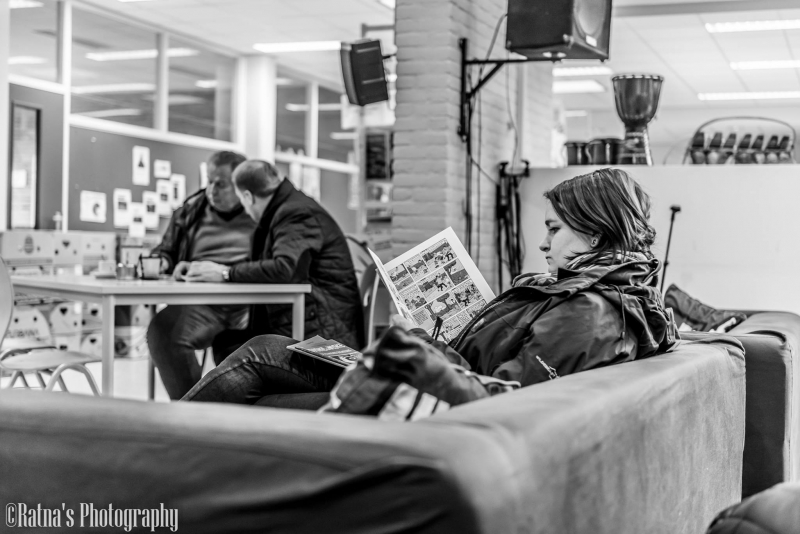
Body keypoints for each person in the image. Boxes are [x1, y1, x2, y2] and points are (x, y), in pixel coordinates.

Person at [182, 168, 677, 407]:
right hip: (432, 371)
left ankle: (155, 450)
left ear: (594, 234)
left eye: (554, 229)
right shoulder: (591, 296)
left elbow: (503, 397)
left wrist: (418, 341)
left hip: (427, 393)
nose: (544, 243)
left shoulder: (590, 312)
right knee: (270, 348)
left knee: (261, 357)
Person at [181, 159, 363, 359]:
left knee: (232, 349)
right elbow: (273, 265)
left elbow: (284, 268)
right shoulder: (288, 208)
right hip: (314, 325)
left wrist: (225, 273)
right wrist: (219, 270)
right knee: (227, 343)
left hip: (323, 340)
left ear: (248, 197)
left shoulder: (296, 212)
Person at [147, 150, 255, 399]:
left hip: (250, 305)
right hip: (202, 303)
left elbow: (275, 264)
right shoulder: (191, 210)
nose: (211, 190)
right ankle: (191, 407)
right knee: (164, 331)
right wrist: (164, 262)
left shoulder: (261, 214)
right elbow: (166, 250)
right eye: (209, 181)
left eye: (221, 184)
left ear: (241, 187)